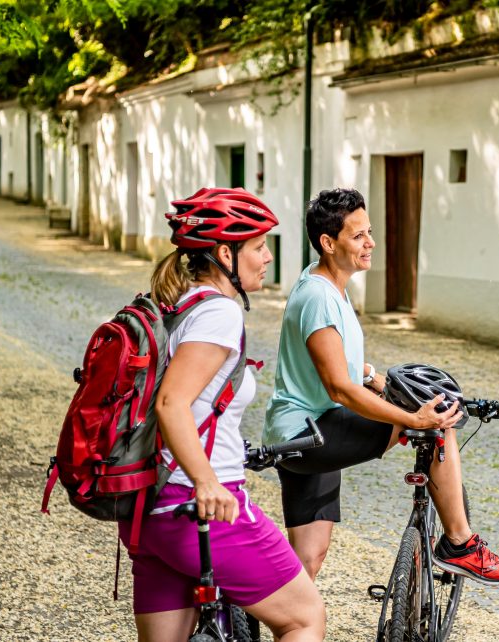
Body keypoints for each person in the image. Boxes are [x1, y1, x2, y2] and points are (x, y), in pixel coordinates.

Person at [263, 187, 499, 585]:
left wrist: (376, 379)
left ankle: (243, 612)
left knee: (306, 562)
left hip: (300, 432)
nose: (371, 243)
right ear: (328, 243)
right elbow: (339, 389)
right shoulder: (319, 297)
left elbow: (338, 364)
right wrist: (411, 418)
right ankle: (459, 543)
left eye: (369, 231)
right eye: (358, 236)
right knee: (438, 423)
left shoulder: (323, 283)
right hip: (312, 432)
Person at [125, 187, 324, 642]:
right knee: (304, 616)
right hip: (201, 509)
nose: (268, 257)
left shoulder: (175, 306)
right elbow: (172, 403)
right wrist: (207, 480)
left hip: (150, 509)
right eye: (258, 246)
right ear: (223, 253)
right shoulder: (218, 313)